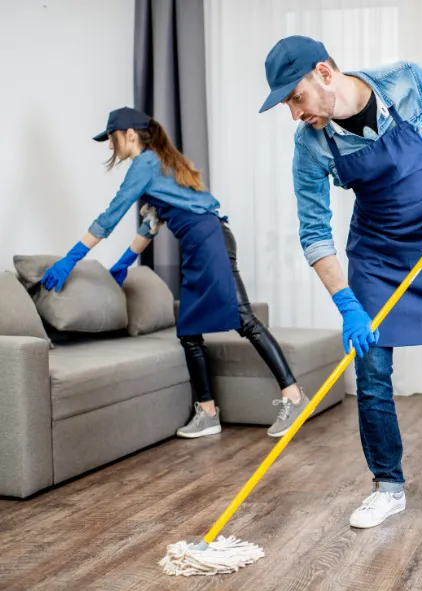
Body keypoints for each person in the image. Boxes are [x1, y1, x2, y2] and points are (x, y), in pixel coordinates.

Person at [259, 36, 422, 528]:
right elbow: (314, 232)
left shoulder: (407, 84)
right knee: (372, 374)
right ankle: (388, 486)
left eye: (295, 98)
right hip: (375, 256)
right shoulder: (312, 144)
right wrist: (348, 303)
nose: (294, 114)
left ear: (324, 74)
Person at [41, 107, 310, 439]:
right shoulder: (159, 164)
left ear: (128, 134)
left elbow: (111, 215)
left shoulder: (145, 163)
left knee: (244, 319)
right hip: (203, 242)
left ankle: (294, 396)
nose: (111, 147)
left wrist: (71, 258)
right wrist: (124, 262)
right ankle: (208, 412)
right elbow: (151, 223)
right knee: (188, 331)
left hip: (207, 241)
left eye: (111, 139)